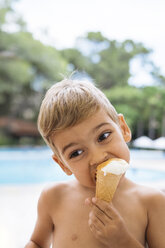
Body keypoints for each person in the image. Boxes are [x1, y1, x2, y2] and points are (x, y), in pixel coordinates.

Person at [25, 79, 165, 248]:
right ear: (62, 165)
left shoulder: (152, 202)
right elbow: (36, 243)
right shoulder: (53, 197)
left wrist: (123, 241)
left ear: (123, 129)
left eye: (103, 136)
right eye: (76, 153)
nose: (98, 158)